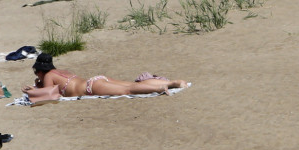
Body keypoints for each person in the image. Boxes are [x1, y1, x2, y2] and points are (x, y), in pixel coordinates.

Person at [32, 53, 185, 98]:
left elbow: (48, 96)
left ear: (40, 70)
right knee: (131, 85)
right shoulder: (61, 72)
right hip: (96, 80)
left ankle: (159, 88)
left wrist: (35, 89)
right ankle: (172, 83)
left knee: (128, 90)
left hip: (91, 88)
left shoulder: (48, 76)